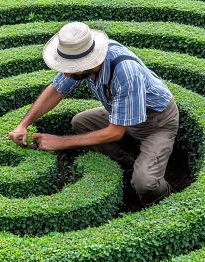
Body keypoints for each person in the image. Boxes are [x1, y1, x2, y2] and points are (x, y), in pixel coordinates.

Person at [9, 22, 179, 207]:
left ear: (89, 62)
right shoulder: (80, 63)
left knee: (145, 183)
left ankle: (167, 203)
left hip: (156, 122)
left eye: (71, 67)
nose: (65, 73)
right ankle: (126, 166)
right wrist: (23, 124)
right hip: (120, 113)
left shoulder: (126, 72)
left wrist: (60, 142)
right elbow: (56, 90)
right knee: (81, 122)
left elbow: (115, 132)